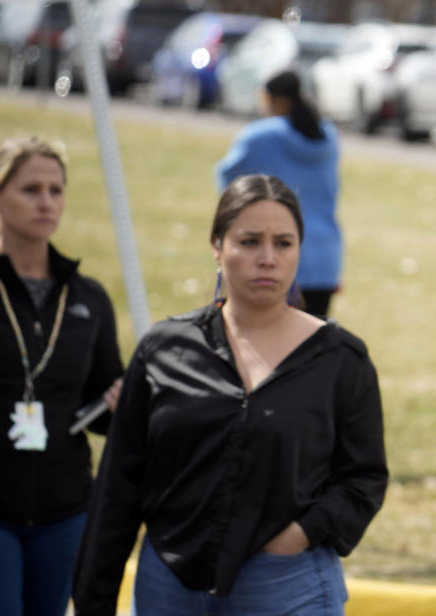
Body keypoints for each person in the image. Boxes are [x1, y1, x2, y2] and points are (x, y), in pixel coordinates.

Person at [72, 175, 387, 616]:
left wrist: (296, 536)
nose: (267, 258)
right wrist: (94, 600)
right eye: (249, 241)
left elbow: (364, 478)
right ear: (217, 247)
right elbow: (118, 487)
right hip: (170, 581)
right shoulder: (164, 350)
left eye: (283, 243)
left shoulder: (341, 359)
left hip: (286, 582)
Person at [0, 137, 124, 616]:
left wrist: (118, 401)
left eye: (56, 189)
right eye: (31, 189)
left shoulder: (87, 297)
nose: (46, 201)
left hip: (64, 508)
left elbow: (103, 413)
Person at [216, 70, 342, 317]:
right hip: (326, 256)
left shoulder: (259, 136)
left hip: (275, 259)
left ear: (276, 99)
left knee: (274, 347)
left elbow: (228, 185)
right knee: (316, 346)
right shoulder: (328, 135)